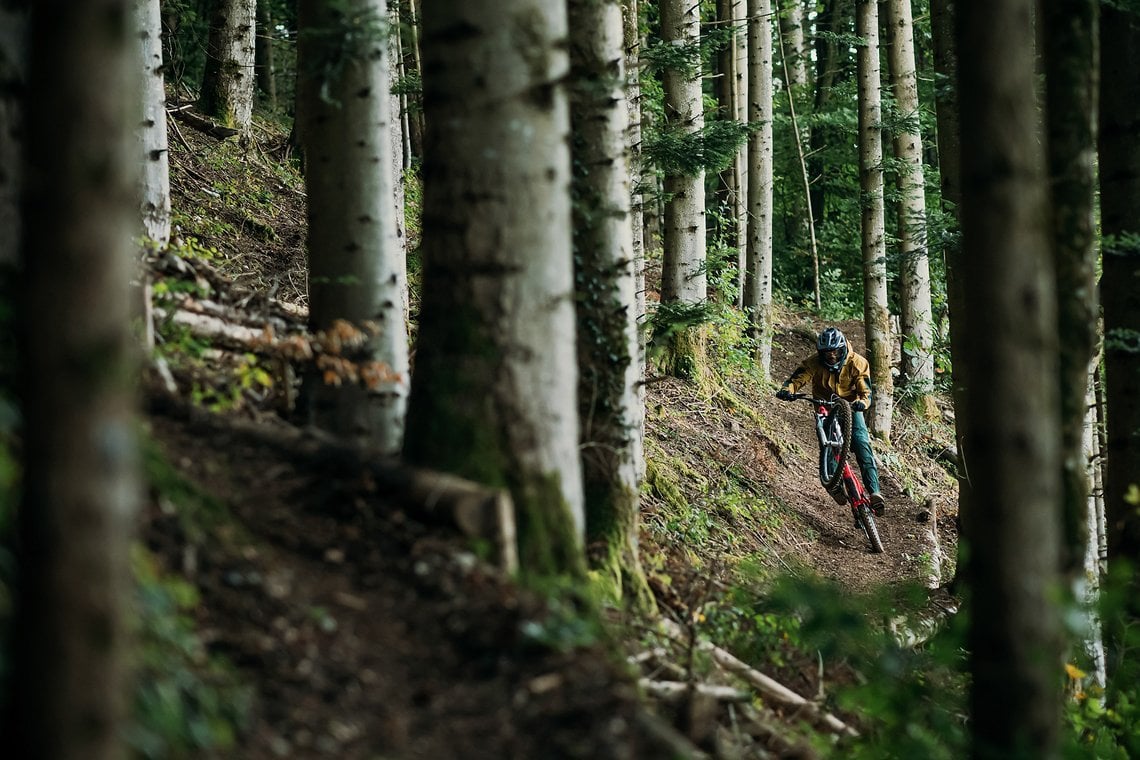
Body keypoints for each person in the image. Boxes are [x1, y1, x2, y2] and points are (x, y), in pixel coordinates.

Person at [775, 327, 885, 514]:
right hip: (824, 406)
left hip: (850, 407)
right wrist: (788, 390)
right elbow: (797, 379)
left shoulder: (857, 362)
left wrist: (861, 403)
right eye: (827, 353)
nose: (832, 356)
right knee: (829, 446)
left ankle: (875, 492)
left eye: (835, 352)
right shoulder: (814, 363)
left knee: (861, 443)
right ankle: (833, 484)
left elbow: (866, 392)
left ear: (843, 349)